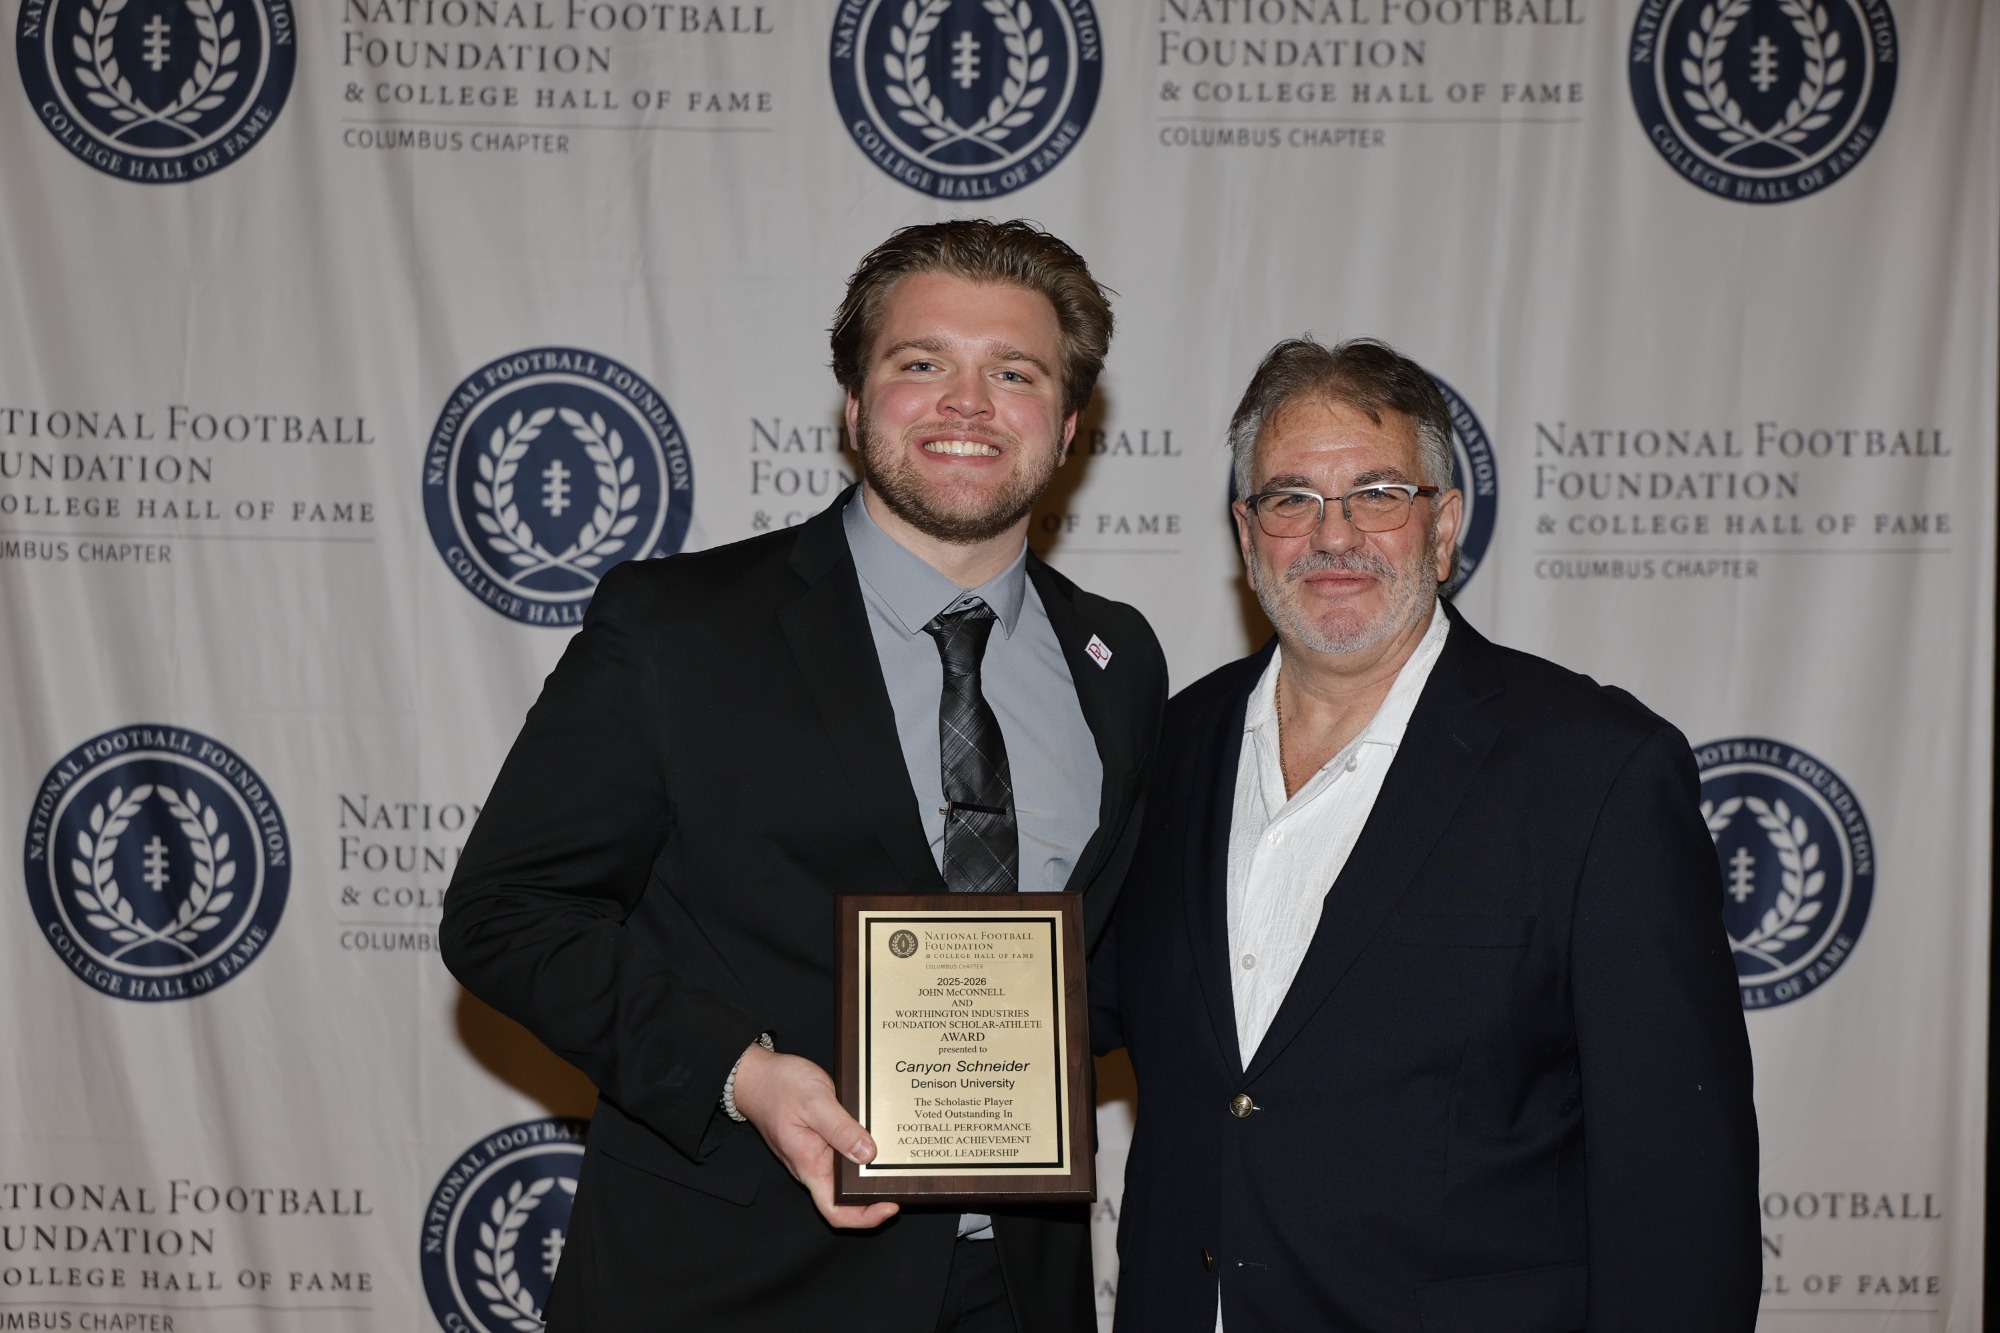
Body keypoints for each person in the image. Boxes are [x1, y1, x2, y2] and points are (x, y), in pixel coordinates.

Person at [440, 219, 1165, 1333]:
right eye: (922, 362)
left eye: (1014, 373)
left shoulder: (1117, 660)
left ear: (1068, 425)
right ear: (855, 405)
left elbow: (1105, 969)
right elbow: (507, 914)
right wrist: (741, 1074)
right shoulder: (679, 630)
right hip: (729, 1285)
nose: (967, 403)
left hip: (1019, 1289)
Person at [1091, 337, 1759, 1332]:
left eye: (1376, 494)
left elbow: (1677, 1181)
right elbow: (1078, 1009)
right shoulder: (1168, 747)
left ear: (1442, 527)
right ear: (1246, 534)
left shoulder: (1595, 771)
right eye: (1290, 498)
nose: (1333, 535)